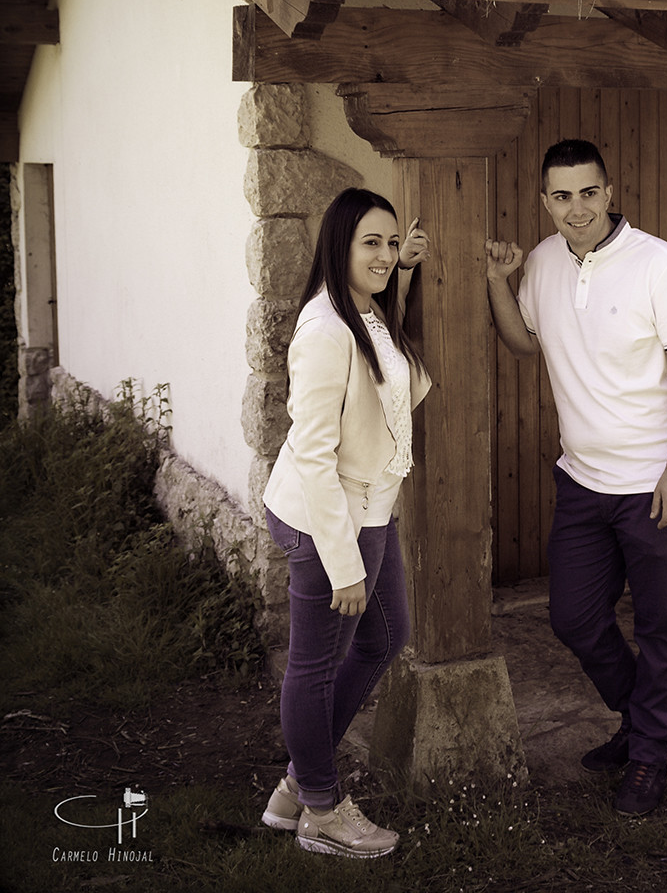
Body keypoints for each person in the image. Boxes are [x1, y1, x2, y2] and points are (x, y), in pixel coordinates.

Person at [485, 139, 667, 816]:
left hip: (654, 483)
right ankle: (643, 718)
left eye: (588, 193)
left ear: (610, 193)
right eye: (561, 195)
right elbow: (526, 342)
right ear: (544, 200)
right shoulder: (546, 262)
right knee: (574, 617)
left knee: (659, 623)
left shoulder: (660, 266)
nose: (575, 208)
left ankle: (647, 755)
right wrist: (499, 280)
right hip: (582, 482)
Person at [259, 187, 432, 858]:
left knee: (386, 636)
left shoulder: (367, 314)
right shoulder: (325, 329)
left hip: (370, 512)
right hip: (327, 520)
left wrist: (408, 274)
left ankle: (297, 786)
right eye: (373, 243)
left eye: (392, 243)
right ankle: (323, 812)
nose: (385, 255)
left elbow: (394, 374)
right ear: (340, 244)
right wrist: (343, 561)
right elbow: (311, 453)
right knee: (314, 668)